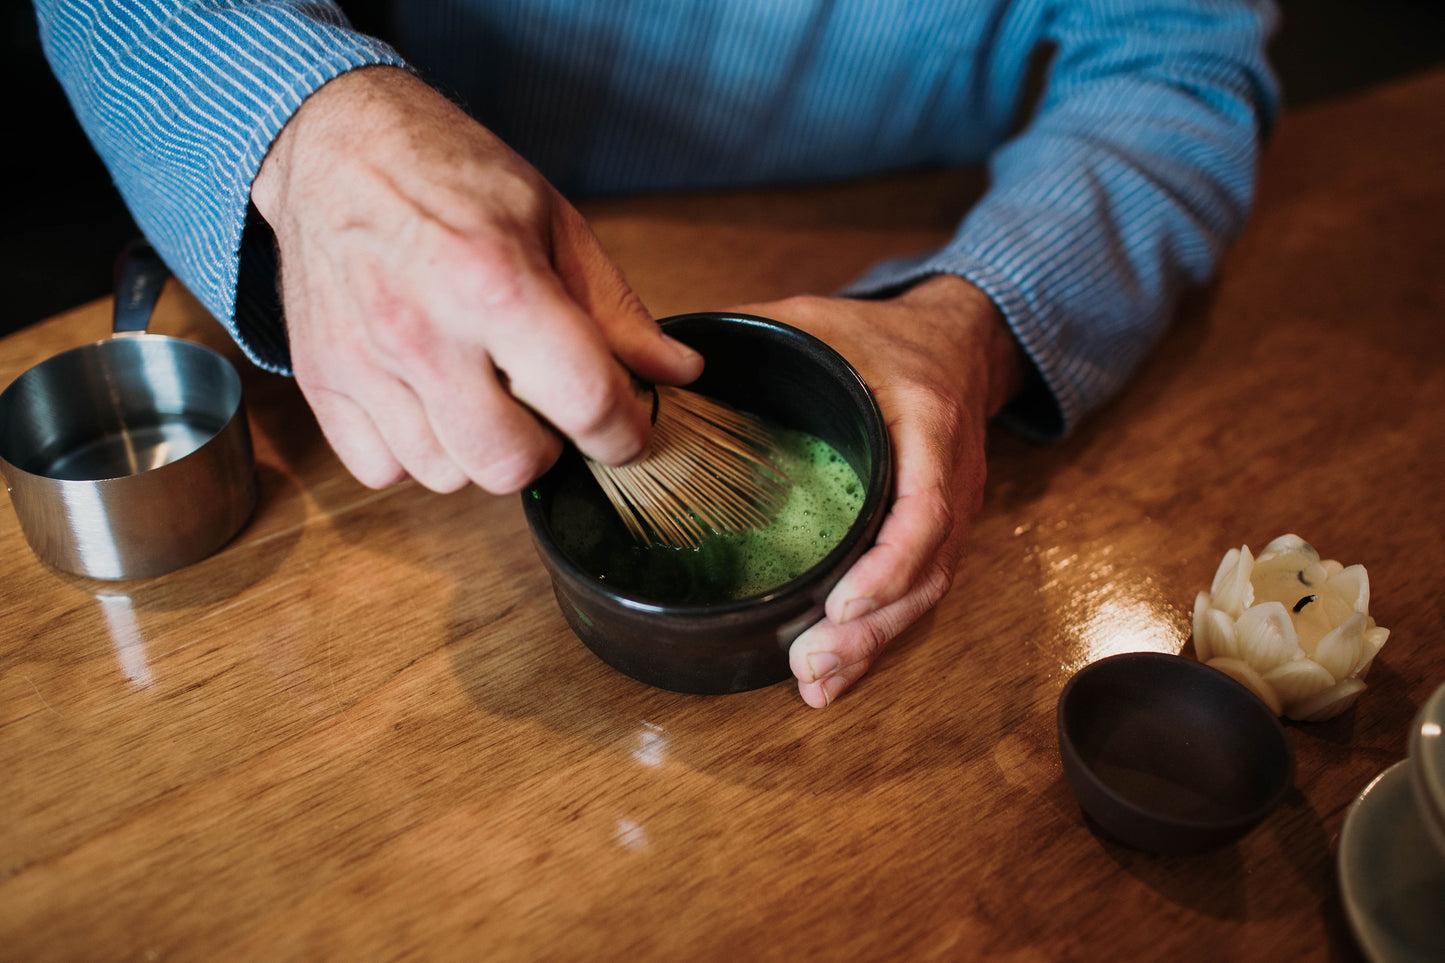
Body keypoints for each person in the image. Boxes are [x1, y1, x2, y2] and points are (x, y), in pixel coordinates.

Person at [35, 0, 1279, 707]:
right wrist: (302, 132)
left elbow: (1182, 59)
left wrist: (976, 316)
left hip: (901, 208)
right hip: (368, 186)